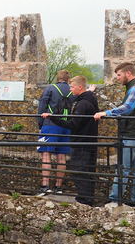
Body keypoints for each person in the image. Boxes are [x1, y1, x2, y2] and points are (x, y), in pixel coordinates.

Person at [94, 62, 135, 207]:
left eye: (119, 75)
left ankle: (115, 199)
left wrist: (106, 113)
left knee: (123, 167)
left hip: (133, 134)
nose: (117, 78)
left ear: (128, 73)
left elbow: (127, 108)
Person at [42, 75, 99, 205]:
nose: (70, 90)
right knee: (88, 172)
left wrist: (54, 118)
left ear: (80, 87)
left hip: (81, 143)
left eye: (72, 87)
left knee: (80, 172)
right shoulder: (90, 99)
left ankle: (84, 200)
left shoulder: (82, 104)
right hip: (90, 141)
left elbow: (73, 125)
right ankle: (88, 198)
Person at [36, 69, 72, 195]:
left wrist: (40, 124)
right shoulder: (72, 90)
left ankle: (45, 186)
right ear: (68, 80)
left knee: (46, 155)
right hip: (66, 125)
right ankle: (58, 187)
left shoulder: (50, 88)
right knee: (61, 157)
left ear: (57, 79)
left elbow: (42, 106)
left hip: (50, 124)